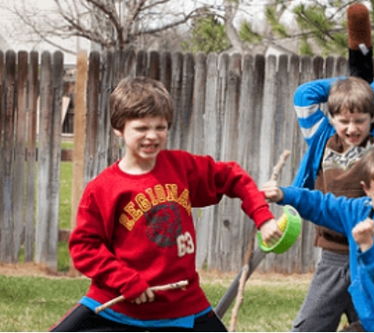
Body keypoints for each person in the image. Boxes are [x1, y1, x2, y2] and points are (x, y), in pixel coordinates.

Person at [50, 76, 281, 332]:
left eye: (160, 127)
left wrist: (264, 217)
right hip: (117, 305)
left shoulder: (181, 167)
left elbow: (232, 177)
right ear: (119, 128)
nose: (152, 136)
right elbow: (85, 248)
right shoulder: (103, 188)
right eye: (141, 128)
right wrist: (125, 280)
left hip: (182, 304)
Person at [263, 142, 374, 332]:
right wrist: (284, 194)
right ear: (367, 189)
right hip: (373, 323)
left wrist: (368, 247)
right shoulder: (359, 211)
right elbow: (322, 205)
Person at [290, 73, 374, 331]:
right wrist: (344, 84)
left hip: (373, 253)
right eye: (344, 121)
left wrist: (368, 86)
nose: (352, 128)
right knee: (310, 325)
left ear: (372, 118)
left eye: (360, 120)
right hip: (333, 255)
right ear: (332, 119)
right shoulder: (321, 138)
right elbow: (304, 95)